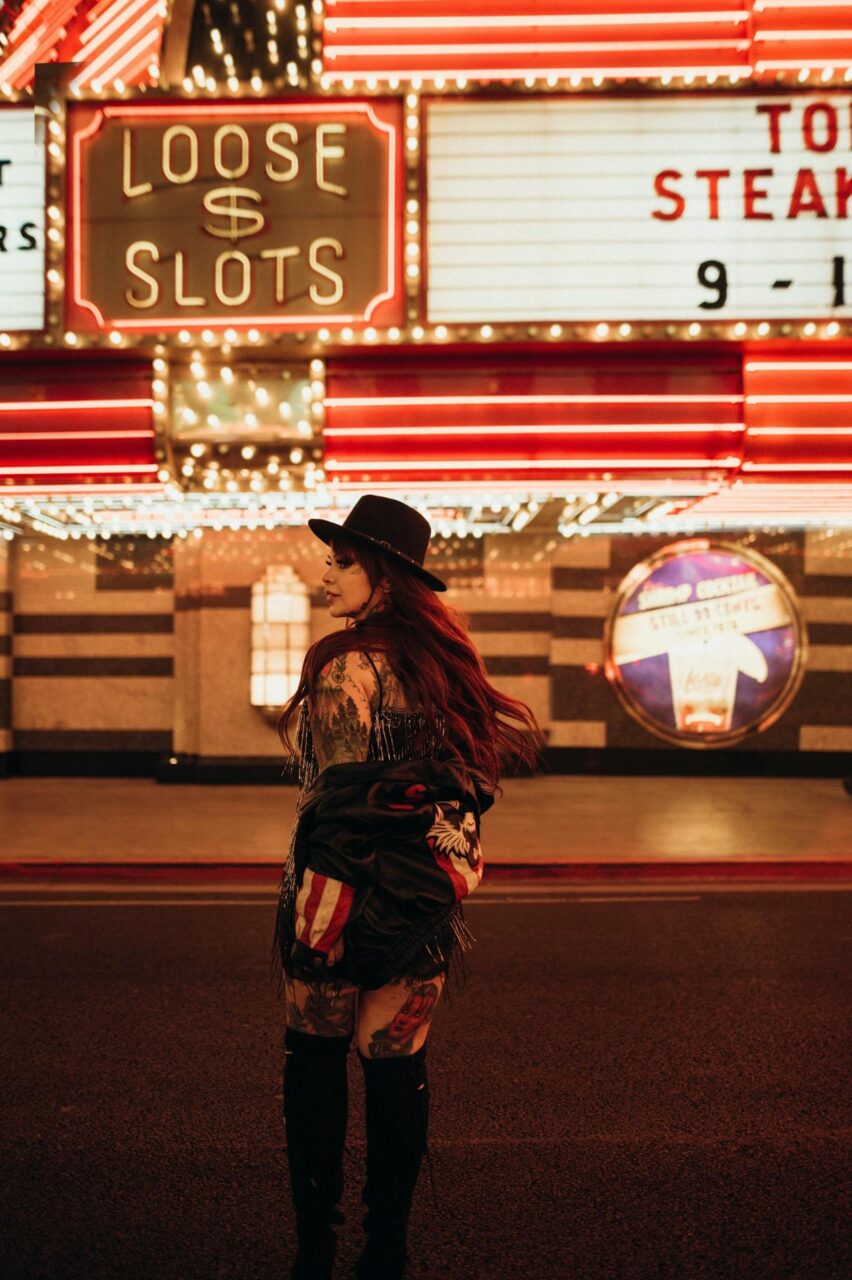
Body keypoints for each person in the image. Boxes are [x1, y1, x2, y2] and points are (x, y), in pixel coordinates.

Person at [274, 494, 541, 1280]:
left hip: (334, 899)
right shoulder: (443, 667)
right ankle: (384, 1248)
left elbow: (339, 804)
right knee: (395, 1073)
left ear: (382, 576)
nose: (328, 574)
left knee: (315, 1071)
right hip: (418, 904)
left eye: (343, 561)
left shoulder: (343, 664)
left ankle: (314, 1250)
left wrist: (318, 924)